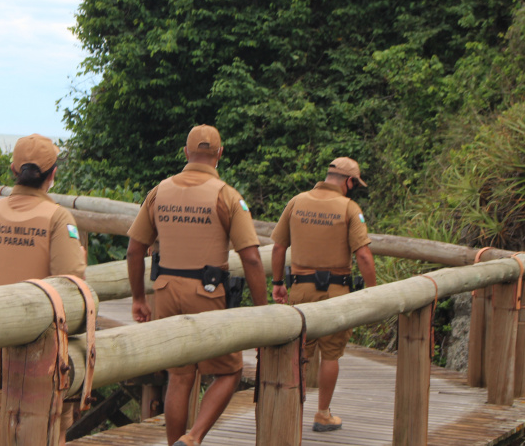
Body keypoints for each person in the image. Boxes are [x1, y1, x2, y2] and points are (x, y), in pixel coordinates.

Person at [126, 124, 268, 446]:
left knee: (179, 375)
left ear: (186, 153)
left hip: (164, 292)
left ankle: (175, 440)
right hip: (207, 293)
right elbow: (252, 259)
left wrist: (138, 298)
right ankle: (193, 437)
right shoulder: (227, 196)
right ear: (219, 154)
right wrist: (263, 314)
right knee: (229, 370)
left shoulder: (159, 191)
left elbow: (135, 249)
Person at [0, 134, 87, 446]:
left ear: (14, 169)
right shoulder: (58, 218)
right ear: (53, 173)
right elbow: (71, 280)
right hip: (36, 344)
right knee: (44, 435)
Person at [269, 157, 377, 432]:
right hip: (335, 292)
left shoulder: (297, 201)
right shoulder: (349, 207)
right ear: (349, 182)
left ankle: (291, 409)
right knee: (331, 355)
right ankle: (322, 414)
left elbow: (279, 247)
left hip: (300, 288)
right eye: (355, 183)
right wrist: (374, 292)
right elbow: (363, 254)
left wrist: (278, 283)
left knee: (299, 353)